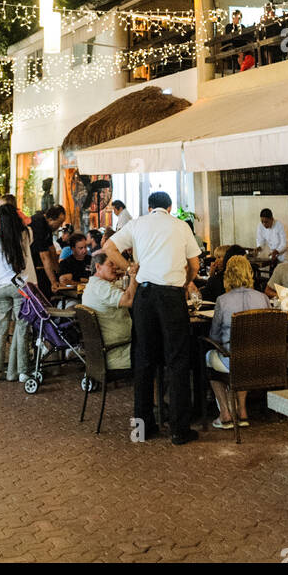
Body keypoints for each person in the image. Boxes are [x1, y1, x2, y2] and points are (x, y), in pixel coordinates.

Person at [104, 189, 202, 446]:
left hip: (144, 297)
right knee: (178, 361)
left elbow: (108, 247)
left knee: (144, 361)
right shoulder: (180, 226)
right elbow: (194, 265)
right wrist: (187, 282)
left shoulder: (137, 223)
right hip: (171, 296)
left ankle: (141, 430)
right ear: (169, 208)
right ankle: (180, 431)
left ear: (149, 207)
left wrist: (129, 268)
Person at [206, 254, 270, 429]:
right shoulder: (262, 298)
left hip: (234, 360)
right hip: (260, 359)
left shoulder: (223, 301)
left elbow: (215, 336)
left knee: (208, 357)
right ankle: (242, 410)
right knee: (245, 353)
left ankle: (225, 412)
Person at [0, 199, 35, 382]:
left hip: (0, 286)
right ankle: (22, 371)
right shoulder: (26, 234)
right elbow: (27, 223)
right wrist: (19, 215)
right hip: (20, 286)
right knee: (22, 328)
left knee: (1, 328)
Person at [82, 250, 138, 369]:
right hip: (119, 353)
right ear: (98, 267)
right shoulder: (101, 288)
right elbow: (129, 300)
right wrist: (134, 276)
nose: (115, 267)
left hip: (109, 351)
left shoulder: (94, 285)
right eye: (110, 264)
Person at [30, 204, 66, 300]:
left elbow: (51, 249)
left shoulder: (47, 226)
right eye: (59, 223)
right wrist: (54, 282)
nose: (59, 227)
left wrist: (58, 272)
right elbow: (45, 256)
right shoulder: (39, 223)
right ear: (50, 219)